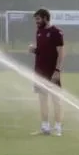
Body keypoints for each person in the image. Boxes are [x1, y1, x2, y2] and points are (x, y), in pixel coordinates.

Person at [30, 8, 65, 136]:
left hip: (52, 72)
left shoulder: (56, 32)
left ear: (45, 18)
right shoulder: (39, 31)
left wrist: (57, 70)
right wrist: (34, 50)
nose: (36, 22)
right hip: (39, 72)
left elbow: (61, 53)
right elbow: (41, 51)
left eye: (38, 19)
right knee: (42, 99)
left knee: (56, 99)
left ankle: (58, 128)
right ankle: (45, 127)